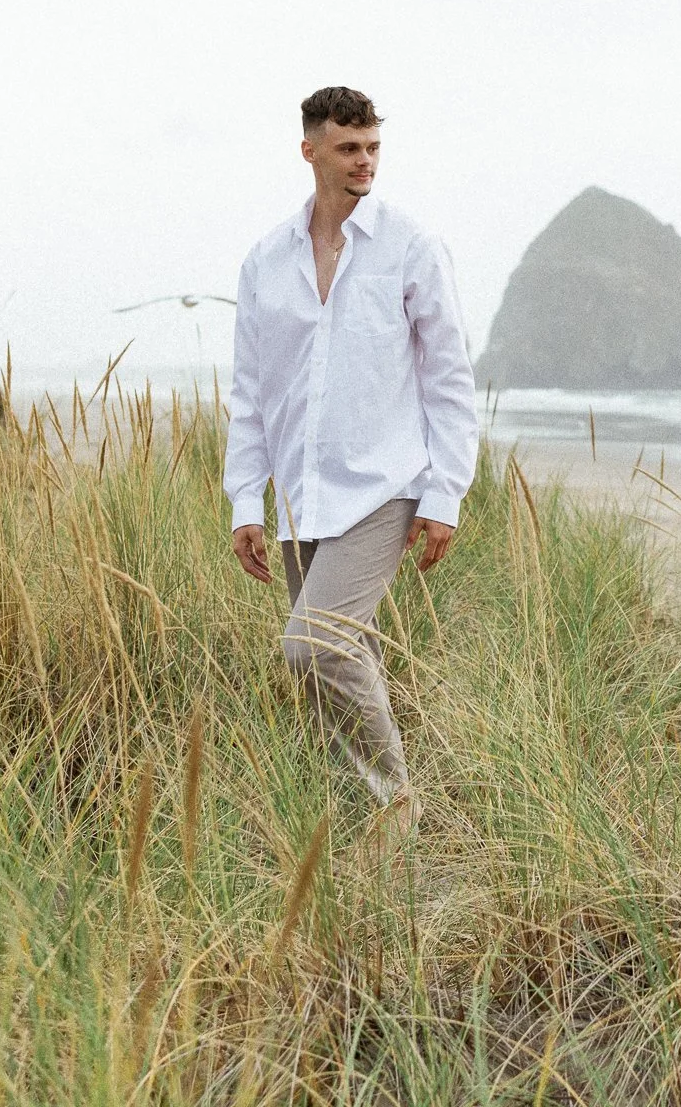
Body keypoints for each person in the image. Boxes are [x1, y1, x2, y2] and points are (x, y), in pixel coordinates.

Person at [224, 86, 480, 822]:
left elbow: (449, 378)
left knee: (313, 647)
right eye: (348, 148)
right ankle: (357, 813)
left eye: (372, 147)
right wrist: (248, 498)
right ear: (311, 151)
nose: (364, 161)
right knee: (338, 661)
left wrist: (444, 496)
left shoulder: (411, 246)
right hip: (304, 494)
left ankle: (397, 805)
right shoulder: (266, 262)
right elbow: (251, 393)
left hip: (383, 486)